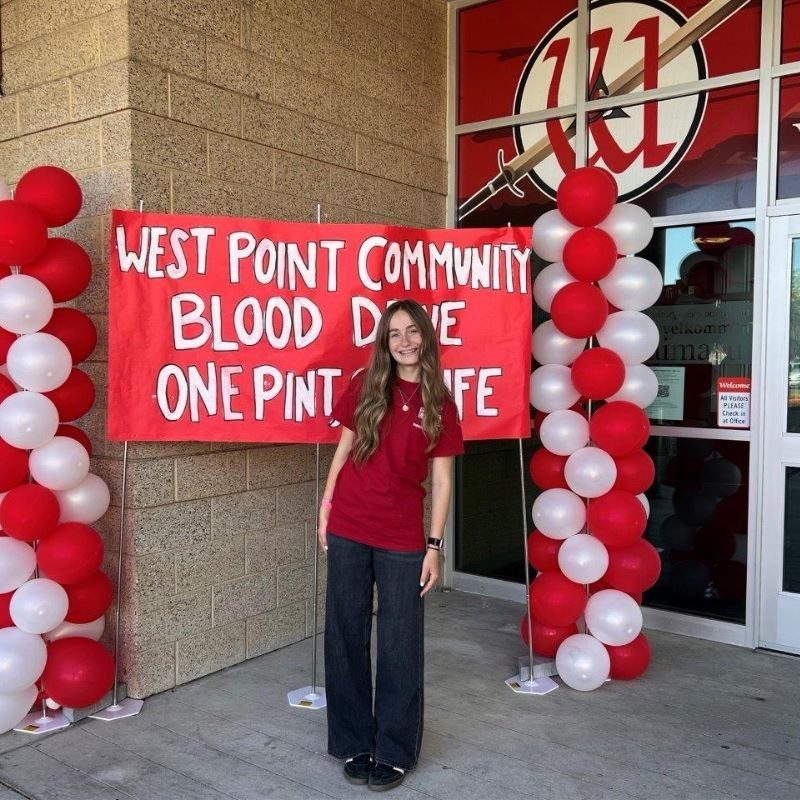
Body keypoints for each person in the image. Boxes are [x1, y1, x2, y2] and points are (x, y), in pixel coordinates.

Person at [318, 298, 464, 792]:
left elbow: (442, 483)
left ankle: (396, 750)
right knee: (344, 635)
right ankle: (354, 740)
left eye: (412, 331)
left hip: (402, 538)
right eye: (394, 333)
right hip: (349, 527)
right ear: (385, 341)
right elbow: (343, 448)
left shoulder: (440, 402)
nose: (404, 341)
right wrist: (327, 505)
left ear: (425, 336)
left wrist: (435, 545)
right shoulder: (365, 386)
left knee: (400, 644)